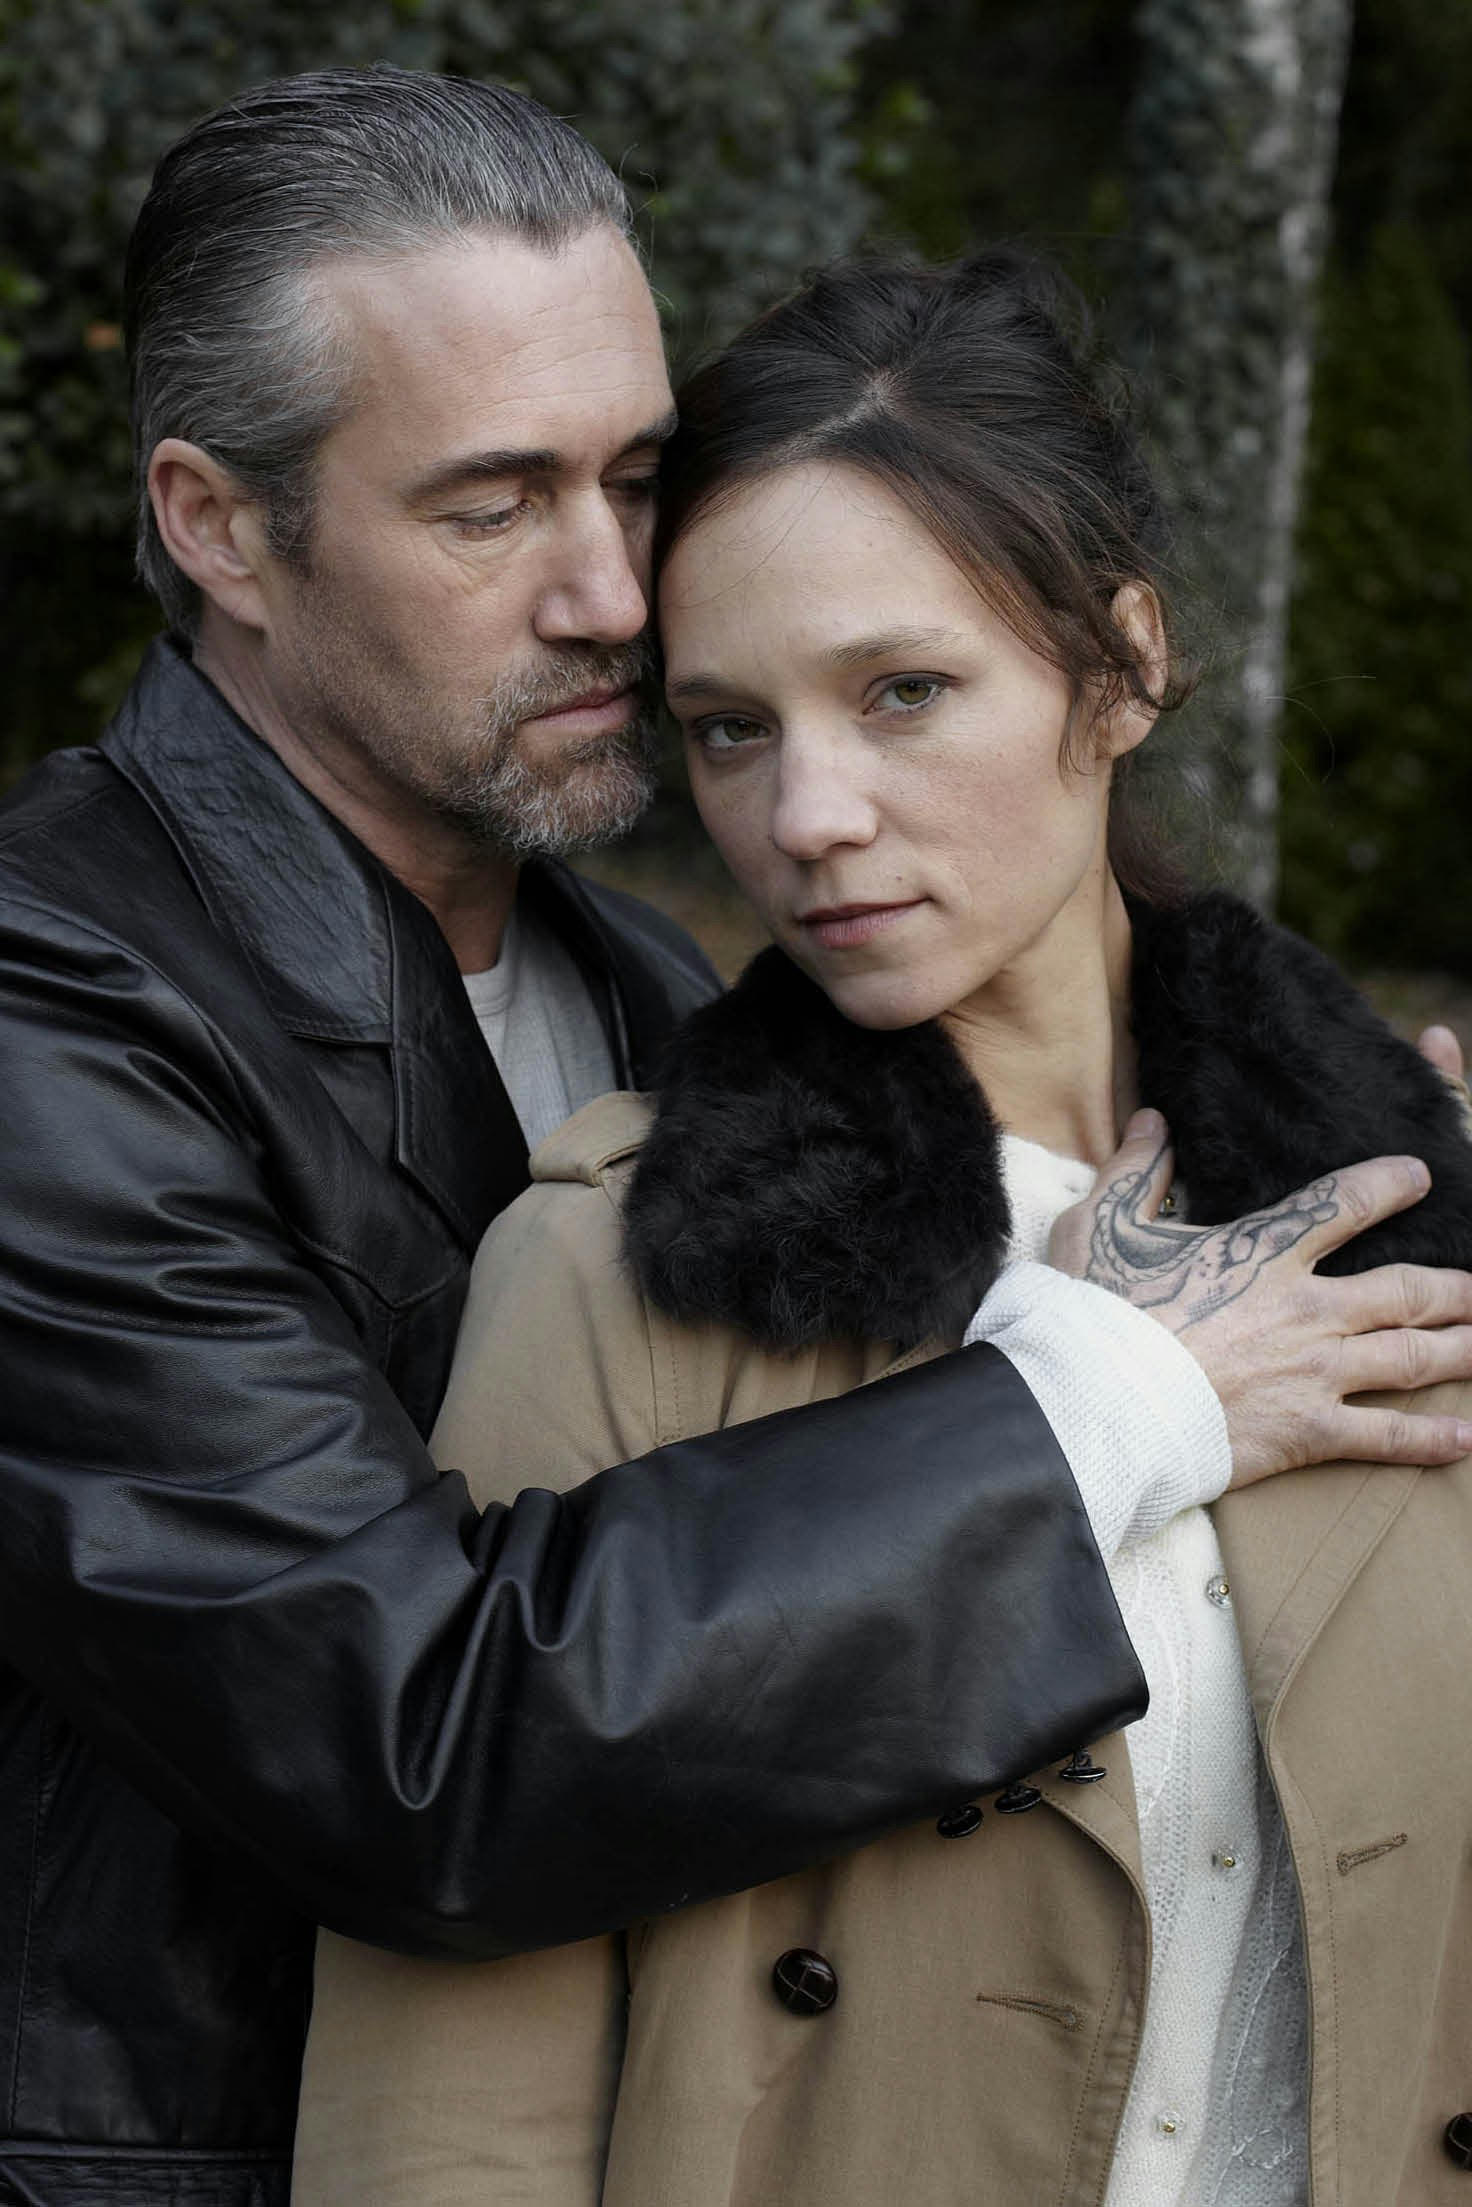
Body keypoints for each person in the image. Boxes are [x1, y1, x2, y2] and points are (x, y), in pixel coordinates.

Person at [294, 250, 1472, 2207]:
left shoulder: (1404, 1223)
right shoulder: (615, 1275)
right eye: (728, 728)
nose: (807, 815)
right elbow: (449, 2106)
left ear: (1122, 664)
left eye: (901, 692)